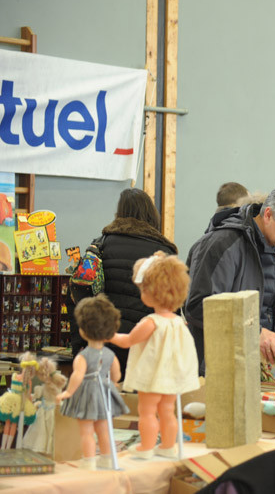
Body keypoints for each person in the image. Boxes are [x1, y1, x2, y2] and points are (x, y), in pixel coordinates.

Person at [186, 184, 275, 371]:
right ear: (268, 214)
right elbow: (199, 306)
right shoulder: (222, 243)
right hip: (218, 367)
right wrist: (254, 333)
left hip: (262, 368)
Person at [68, 188, 178, 374]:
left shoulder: (101, 244)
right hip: (146, 343)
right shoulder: (163, 251)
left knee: (105, 395)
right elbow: (172, 302)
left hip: (106, 338)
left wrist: (79, 344)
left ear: (119, 213)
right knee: (141, 399)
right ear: (152, 214)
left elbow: (79, 291)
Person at [110, 252, 200, 459]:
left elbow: (127, 341)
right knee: (167, 411)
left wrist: (108, 336)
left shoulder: (151, 322)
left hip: (152, 376)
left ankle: (147, 447)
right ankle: (168, 446)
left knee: (147, 411)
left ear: (151, 291)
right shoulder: (179, 322)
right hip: (171, 376)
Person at [57, 295, 129, 470]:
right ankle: (107, 459)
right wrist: (113, 383)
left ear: (82, 330)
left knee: (86, 432)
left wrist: (68, 392)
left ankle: (88, 461)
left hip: (86, 396)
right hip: (104, 395)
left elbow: (77, 376)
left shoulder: (82, 356)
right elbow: (117, 375)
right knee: (104, 430)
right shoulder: (110, 355)